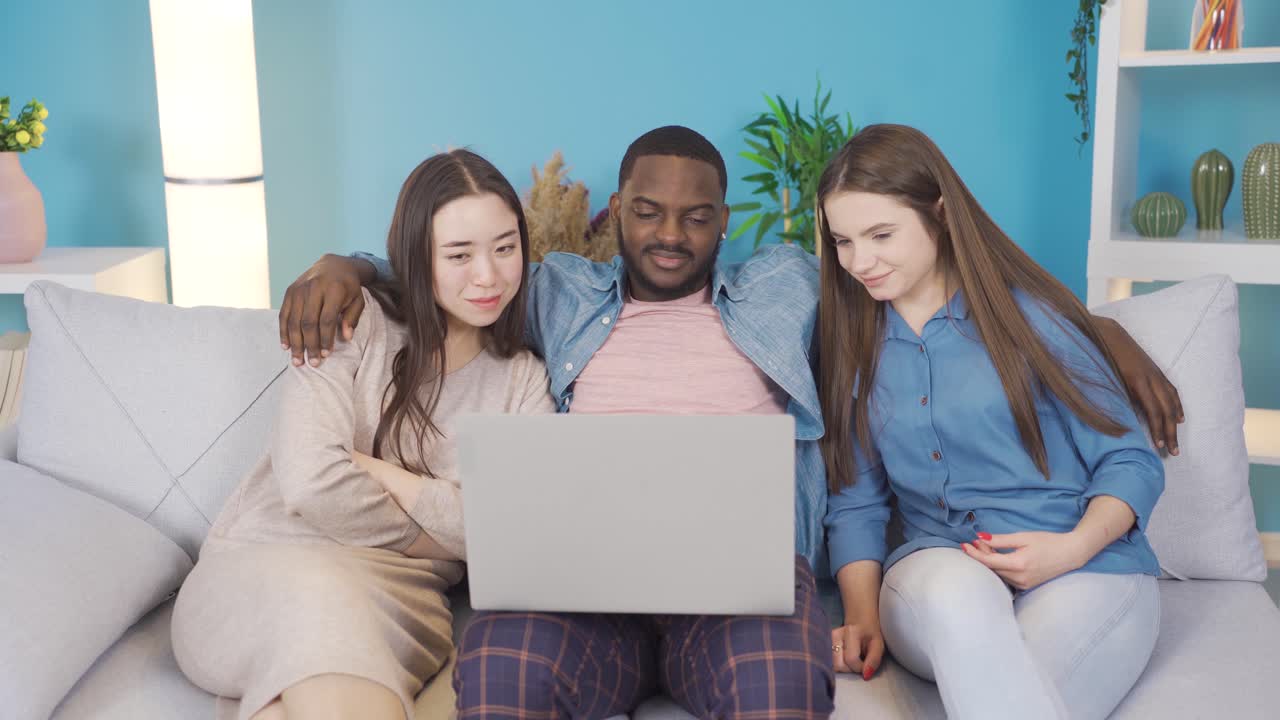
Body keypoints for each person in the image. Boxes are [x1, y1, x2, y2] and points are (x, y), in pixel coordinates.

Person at [279, 125, 1182, 718]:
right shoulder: (556, 288)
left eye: (697, 216)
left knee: (786, 682)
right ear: (616, 214)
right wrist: (345, 265)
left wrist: (1100, 330)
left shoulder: (788, 289)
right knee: (501, 667)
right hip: (584, 580)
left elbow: (927, 285)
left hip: (742, 583)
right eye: (647, 211)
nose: (670, 233)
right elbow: (452, 272)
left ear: (725, 223)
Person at [171, 149, 555, 720]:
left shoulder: (522, 381)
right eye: (458, 254)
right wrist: (449, 520)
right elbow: (308, 483)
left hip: (396, 601)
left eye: (505, 248)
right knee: (317, 607)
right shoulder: (353, 320)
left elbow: (515, 537)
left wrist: (386, 475)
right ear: (414, 258)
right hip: (263, 566)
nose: (488, 276)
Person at [818, 124, 1167, 720]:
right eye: (843, 241)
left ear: (941, 214)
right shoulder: (851, 348)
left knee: (1018, 690)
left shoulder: (1033, 320)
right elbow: (856, 503)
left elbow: (1130, 459)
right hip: (938, 570)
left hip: (1083, 563)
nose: (860, 261)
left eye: (881, 234)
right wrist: (862, 615)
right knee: (960, 598)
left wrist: (1071, 548)